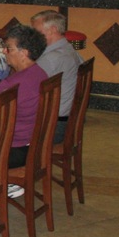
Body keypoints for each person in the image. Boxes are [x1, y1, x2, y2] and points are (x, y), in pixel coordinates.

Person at [0, 24, 49, 178]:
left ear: (24, 53)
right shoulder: (38, 73)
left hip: (4, 148)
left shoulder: (15, 83)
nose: (4, 52)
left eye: (9, 49)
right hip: (27, 142)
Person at [31, 10, 84, 143]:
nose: (32, 36)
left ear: (52, 30)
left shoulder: (51, 58)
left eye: (36, 31)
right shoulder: (69, 50)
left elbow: (26, 89)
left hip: (53, 127)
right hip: (66, 121)